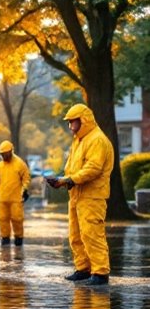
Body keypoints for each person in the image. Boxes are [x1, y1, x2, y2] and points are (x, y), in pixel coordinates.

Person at [47, 103, 114, 285]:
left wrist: (69, 180)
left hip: (93, 197)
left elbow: (93, 168)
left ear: (83, 120)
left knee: (92, 234)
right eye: (68, 122)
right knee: (76, 236)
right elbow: (72, 168)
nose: (70, 126)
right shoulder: (79, 141)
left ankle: (100, 272)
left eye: (72, 122)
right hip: (77, 195)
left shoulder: (97, 140)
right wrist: (62, 180)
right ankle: (83, 269)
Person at [0, 140, 31, 246]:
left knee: (17, 219)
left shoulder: (20, 164)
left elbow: (26, 178)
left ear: (10, 151)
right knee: (2, 219)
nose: (3, 156)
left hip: (16, 198)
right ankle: (5, 238)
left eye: (5, 154)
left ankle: (18, 238)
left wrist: (25, 189)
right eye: (2, 154)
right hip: (2, 198)